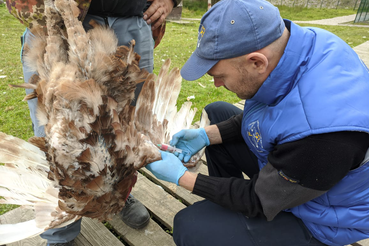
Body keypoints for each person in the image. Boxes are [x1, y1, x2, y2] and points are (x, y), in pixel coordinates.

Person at [145, 0, 369, 245]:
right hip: (300, 171)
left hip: (324, 215)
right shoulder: (301, 47)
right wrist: (205, 135)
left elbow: (260, 200)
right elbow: (285, 113)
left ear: (257, 62)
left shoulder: (324, 136)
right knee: (217, 112)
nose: (216, 84)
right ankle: (229, 216)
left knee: (190, 226)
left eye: (219, 76)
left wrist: (181, 177)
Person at [6, 0, 178, 245]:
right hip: (61, 18)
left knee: (128, 129)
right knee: (59, 143)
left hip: (132, 21)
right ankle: (60, 234)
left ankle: (117, 197)